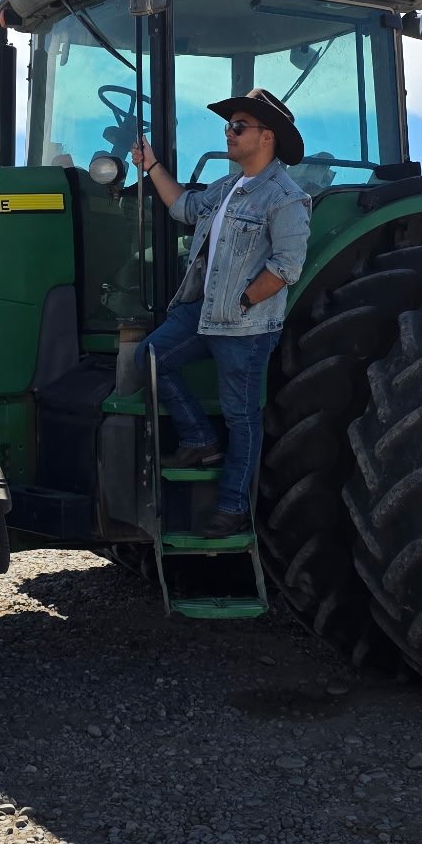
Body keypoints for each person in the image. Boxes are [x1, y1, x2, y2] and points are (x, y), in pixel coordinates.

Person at [129, 88, 311, 537]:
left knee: (241, 417)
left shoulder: (285, 197)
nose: (228, 134)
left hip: (245, 327)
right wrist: (151, 165)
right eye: (229, 126)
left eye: (237, 126)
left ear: (266, 137)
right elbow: (183, 207)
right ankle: (198, 439)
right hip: (203, 315)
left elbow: (287, 266)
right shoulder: (228, 188)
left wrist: (245, 300)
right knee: (150, 360)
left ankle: (231, 509)